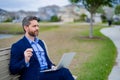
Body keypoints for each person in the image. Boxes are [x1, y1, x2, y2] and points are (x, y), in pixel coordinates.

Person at [9, 16, 74, 80]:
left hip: (46, 73)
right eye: (34, 26)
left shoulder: (40, 42)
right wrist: (25, 60)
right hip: (33, 77)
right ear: (26, 28)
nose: (37, 28)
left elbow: (47, 61)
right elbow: (12, 69)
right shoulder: (17, 46)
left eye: (38, 26)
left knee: (63, 71)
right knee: (64, 72)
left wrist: (53, 66)